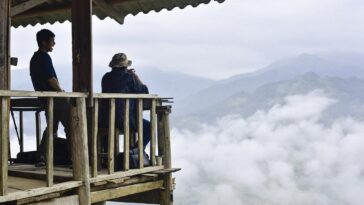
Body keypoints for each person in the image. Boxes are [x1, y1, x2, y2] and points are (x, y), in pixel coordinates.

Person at [29, 29, 71, 166]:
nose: (54, 43)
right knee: (70, 127)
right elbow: (50, 78)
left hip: (45, 99)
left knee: (51, 128)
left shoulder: (34, 58)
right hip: (54, 98)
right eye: (52, 41)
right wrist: (61, 92)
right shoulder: (44, 57)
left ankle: (41, 156)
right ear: (44, 42)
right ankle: (74, 157)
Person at [99, 53, 151, 158]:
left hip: (105, 119)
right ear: (126, 66)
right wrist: (136, 77)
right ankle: (137, 150)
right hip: (124, 120)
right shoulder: (130, 77)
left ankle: (107, 157)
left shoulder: (106, 77)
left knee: (108, 128)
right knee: (149, 127)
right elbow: (144, 92)